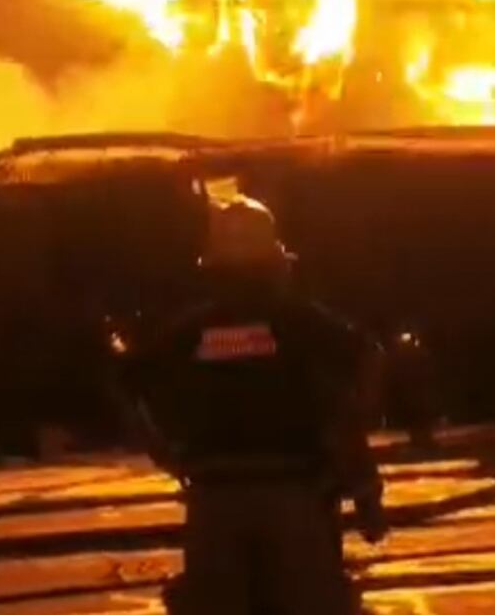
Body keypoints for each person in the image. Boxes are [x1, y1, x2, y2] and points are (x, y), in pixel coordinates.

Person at [111, 192, 387, 615]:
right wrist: (363, 483)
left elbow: (128, 383)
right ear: (276, 266)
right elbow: (365, 365)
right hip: (296, 499)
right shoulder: (303, 323)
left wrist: (162, 448)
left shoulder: (188, 333)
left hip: (213, 505)